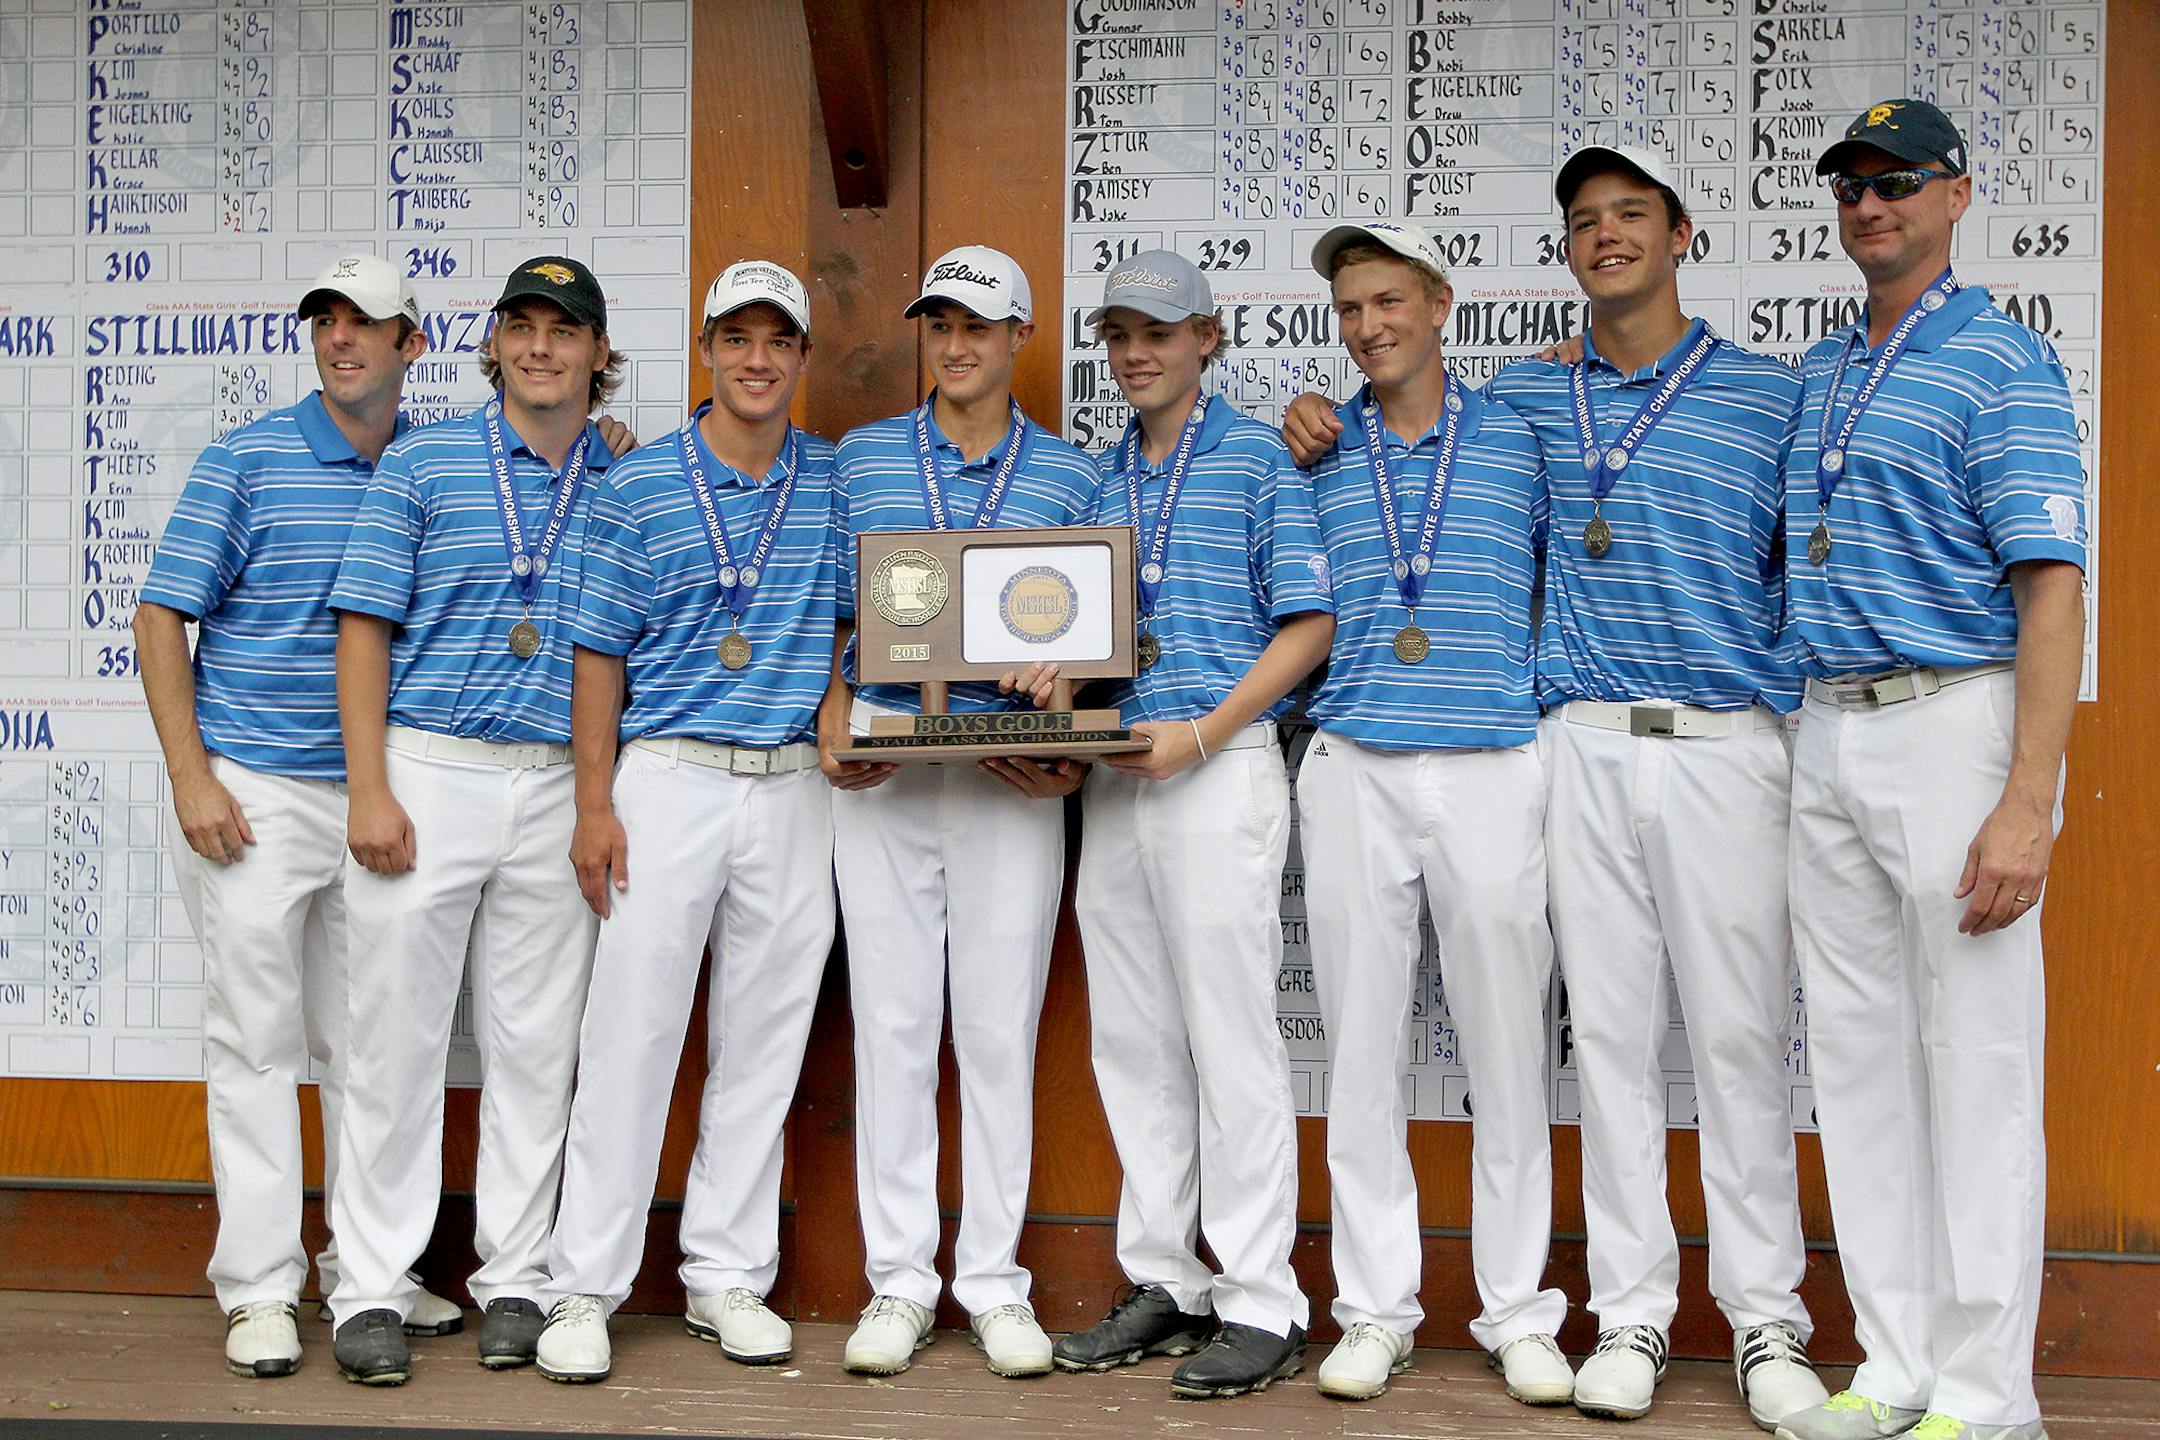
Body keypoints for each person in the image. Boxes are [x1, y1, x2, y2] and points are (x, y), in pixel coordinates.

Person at [1284, 147, 1827, 1429]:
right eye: (1584, 221)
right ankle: (1627, 1314)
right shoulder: (1523, 404)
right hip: (1571, 738)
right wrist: (1313, 419)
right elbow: (1361, 438)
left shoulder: (1763, 395)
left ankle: (1763, 1328)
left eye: (1630, 215)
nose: (1606, 237)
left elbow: (1808, 560)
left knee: (1740, 1043)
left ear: (1683, 233)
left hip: (1716, 740)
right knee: (1612, 1052)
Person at [1772, 101, 2084, 1440]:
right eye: (1847, 185)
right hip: (1827, 725)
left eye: (1896, 182)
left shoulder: (2001, 360)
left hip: (1956, 717)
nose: (1869, 205)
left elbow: (2054, 583)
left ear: (1958, 193)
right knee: (1854, 1065)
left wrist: (2028, 801)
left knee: (1978, 1061)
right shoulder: (1827, 370)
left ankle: (1984, 1394)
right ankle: (1894, 1366)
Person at [135, 255, 461, 1378]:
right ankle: (262, 1288)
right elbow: (161, 615)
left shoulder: (440, 462)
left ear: (411, 344)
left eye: (366, 322)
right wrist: (191, 776)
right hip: (257, 796)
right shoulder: (250, 458)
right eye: (327, 319)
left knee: (377, 1050)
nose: (341, 338)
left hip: (387, 791)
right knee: (259, 1047)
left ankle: (367, 1275)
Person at [531, 261, 837, 1384]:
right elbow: (595, 654)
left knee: (764, 1040)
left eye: (778, 341)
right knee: (630, 1037)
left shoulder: (837, 479)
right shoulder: (640, 483)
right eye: (736, 338)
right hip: (669, 775)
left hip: (797, 783)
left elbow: (861, 623)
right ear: (705, 350)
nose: (757, 359)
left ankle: (725, 1275)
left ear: (801, 359)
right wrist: (593, 804)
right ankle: (583, 1288)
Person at [1284, 222, 1573, 1406]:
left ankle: (1516, 1311)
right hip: (1353, 761)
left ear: (1442, 303)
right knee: (1359, 1050)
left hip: (1497, 760)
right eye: (1351, 308)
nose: (1369, 327)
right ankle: (1374, 1310)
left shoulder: (1527, 428)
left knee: (1509, 1050)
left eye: (1390, 301)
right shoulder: (1309, 445)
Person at [324, 256, 626, 1386]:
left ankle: (516, 1278)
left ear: (599, 354)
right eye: (522, 327)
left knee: (538, 1048)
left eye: (566, 330)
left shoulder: (627, 476)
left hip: (558, 777)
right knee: (393, 1040)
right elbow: (364, 631)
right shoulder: (424, 462)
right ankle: (368, 1287)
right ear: (492, 344)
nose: (542, 348)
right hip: (431, 766)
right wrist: (369, 786)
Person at [1037, 251, 1332, 1399]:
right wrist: (1055, 690)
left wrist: (1204, 733)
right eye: (1117, 333)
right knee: (1134, 1043)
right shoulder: (1097, 483)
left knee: (1230, 1041)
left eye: (1157, 331)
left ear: (1208, 337)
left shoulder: (1259, 457)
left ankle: (1263, 1297)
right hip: (1121, 773)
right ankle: (1167, 1276)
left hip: (1216, 769)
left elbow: (1309, 625)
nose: (1133, 353)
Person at [818, 246, 1098, 1379]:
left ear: (1020, 333)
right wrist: (832, 710)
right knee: (889, 1031)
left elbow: (1098, 634)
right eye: (938, 323)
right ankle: (898, 1283)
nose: (956, 343)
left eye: (978, 325)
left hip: (1005, 782)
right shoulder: (863, 458)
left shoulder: (1073, 476)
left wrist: (1069, 714)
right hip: (886, 772)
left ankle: (991, 1282)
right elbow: (819, 606)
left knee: (995, 1035)